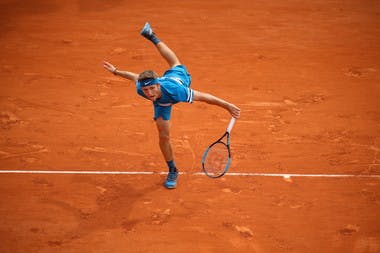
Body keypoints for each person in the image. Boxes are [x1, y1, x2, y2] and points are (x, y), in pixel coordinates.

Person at [103, 22, 240, 189]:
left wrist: (227, 106)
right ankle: (173, 169)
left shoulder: (177, 91)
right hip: (162, 103)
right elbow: (133, 76)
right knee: (163, 136)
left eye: (152, 88)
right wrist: (116, 71)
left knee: (175, 63)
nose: (149, 93)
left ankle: (152, 36)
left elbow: (205, 97)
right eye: (146, 89)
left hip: (178, 79)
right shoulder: (141, 88)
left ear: (158, 85)